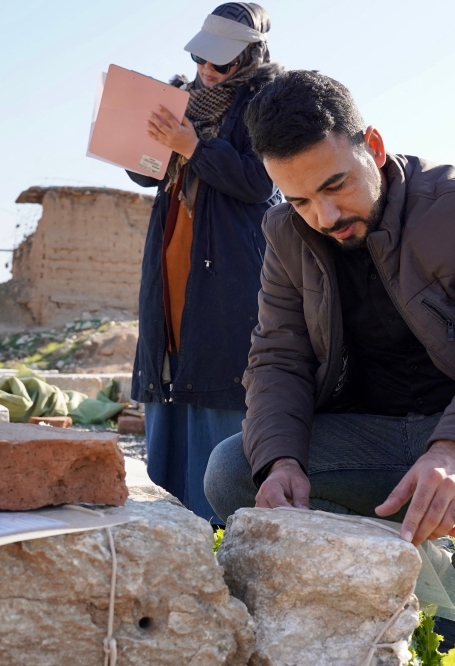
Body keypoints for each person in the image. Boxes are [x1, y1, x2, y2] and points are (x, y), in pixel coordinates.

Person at [204, 70, 455, 644]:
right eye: (300, 200)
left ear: (376, 147)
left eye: (336, 185)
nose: (325, 216)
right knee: (235, 468)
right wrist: (280, 462)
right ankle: (386, 576)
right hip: (363, 436)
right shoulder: (286, 233)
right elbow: (277, 358)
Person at [126, 3, 281, 525]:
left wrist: (192, 146)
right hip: (173, 261)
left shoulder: (269, 103)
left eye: (221, 62)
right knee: (170, 365)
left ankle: (220, 520)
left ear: (251, 56)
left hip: (230, 268)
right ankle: (172, 518)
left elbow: (262, 183)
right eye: (201, 59)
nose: (208, 71)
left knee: (218, 373)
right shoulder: (180, 99)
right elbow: (148, 176)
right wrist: (141, 140)